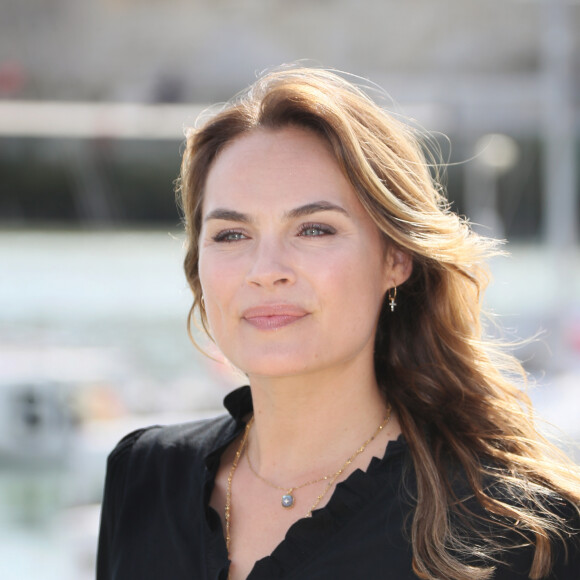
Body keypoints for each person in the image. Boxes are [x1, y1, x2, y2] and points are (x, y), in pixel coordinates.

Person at [96, 67, 580, 580]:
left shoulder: (523, 533)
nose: (266, 272)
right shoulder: (143, 476)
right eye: (232, 235)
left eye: (313, 229)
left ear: (395, 258)